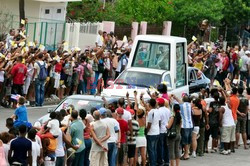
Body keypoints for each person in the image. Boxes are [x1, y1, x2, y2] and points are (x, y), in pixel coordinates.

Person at [172, 95, 193, 160]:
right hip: (190, 125)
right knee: (188, 140)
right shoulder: (190, 105)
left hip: (184, 125)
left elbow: (176, 103)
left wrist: (173, 98)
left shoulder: (181, 106)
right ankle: (187, 152)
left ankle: (186, 154)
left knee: (185, 140)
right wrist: (176, 97)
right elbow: (181, 101)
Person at [146, 98, 161, 166]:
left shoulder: (151, 112)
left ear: (149, 104)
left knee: (151, 150)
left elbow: (149, 124)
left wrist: (146, 131)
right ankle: (154, 163)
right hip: (157, 132)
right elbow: (159, 122)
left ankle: (152, 164)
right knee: (154, 149)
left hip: (151, 133)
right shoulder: (158, 111)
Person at [157, 97, 171, 165]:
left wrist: (158, 130)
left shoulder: (158, 111)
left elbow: (159, 122)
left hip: (161, 131)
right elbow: (170, 118)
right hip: (166, 129)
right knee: (166, 146)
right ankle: (167, 161)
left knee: (160, 146)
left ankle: (161, 160)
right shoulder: (168, 110)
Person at [134, 91, 147, 166]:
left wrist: (135, 96)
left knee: (136, 154)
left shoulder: (136, 121)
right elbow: (144, 108)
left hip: (137, 138)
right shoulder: (145, 119)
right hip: (143, 138)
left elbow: (136, 106)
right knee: (143, 154)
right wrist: (142, 98)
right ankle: (144, 164)